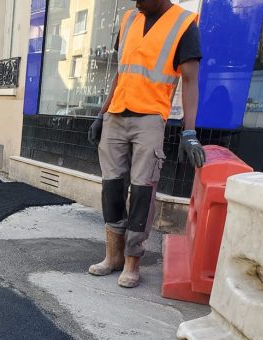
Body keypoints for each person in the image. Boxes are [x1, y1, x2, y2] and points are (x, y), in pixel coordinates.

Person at [87, 0, 205, 288]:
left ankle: (132, 262)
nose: (137, 2)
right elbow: (121, 72)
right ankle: (112, 256)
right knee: (112, 187)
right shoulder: (129, 19)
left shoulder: (183, 23)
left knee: (142, 191)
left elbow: (190, 80)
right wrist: (102, 114)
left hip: (150, 119)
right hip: (116, 115)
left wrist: (189, 131)